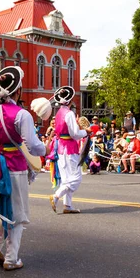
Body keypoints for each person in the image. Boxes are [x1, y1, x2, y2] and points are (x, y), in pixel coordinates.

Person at [0, 66, 46, 271]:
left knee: (2, 207)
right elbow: (34, 146)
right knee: (17, 214)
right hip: (15, 167)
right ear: (17, 91)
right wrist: (45, 147)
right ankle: (11, 258)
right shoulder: (22, 114)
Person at [49, 85, 92, 214]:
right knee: (76, 177)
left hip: (61, 148)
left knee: (66, 178)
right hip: (69, 147)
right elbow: (74, 133)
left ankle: (67, 205)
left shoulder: (58, 113)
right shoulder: (69, 114)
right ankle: (56, 196)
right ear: (70, 99)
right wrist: (86, 131)